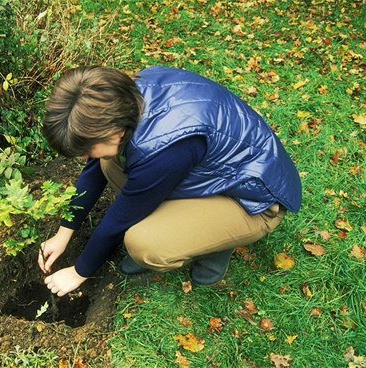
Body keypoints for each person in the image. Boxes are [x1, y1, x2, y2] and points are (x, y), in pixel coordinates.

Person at [38, 65, 302, 297]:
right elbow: (95, 168)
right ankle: (192, 226)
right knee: (107, 160)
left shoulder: (164, 151)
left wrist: (79, 271)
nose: (83, 157)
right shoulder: (126, 99)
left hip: (253, 201)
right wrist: (64, 232)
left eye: (84, 149)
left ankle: (217, 246)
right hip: (214, 173)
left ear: (113, 131)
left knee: (145, 245)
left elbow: (121, 216)